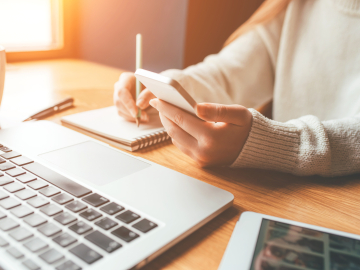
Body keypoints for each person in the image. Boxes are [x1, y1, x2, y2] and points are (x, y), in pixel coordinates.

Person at [114, 0, 360, 177]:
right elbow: (229, 72)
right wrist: (165, 88)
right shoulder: (298, 5)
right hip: (283, 193)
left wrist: (277, 145)